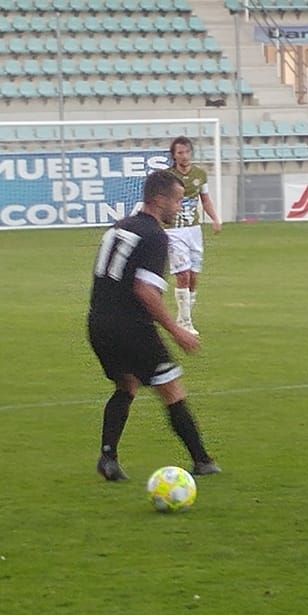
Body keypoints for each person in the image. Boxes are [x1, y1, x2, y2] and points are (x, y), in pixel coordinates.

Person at [87, 169, 220, 481]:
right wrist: (178, 331)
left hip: (97, 323)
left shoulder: (119, 227)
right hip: (130, 327)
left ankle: (108, 457)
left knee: (127, 384)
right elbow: (144, 290)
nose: (179, 208)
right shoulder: (155, 236)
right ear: (159, 200)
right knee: (171, 388)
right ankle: (202, 460)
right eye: (176, 201)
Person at [165, 136, 223, 336]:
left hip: (194, 230)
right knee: (183, 275)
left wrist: (215, 218)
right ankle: (186, 323)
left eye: (187, 152)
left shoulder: (200, 174)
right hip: (173, 230)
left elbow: (205, 199)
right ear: (173, 155)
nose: (184, 156)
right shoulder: (167, 177)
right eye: (180, 152)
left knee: (194, 277)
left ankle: (183, 316)